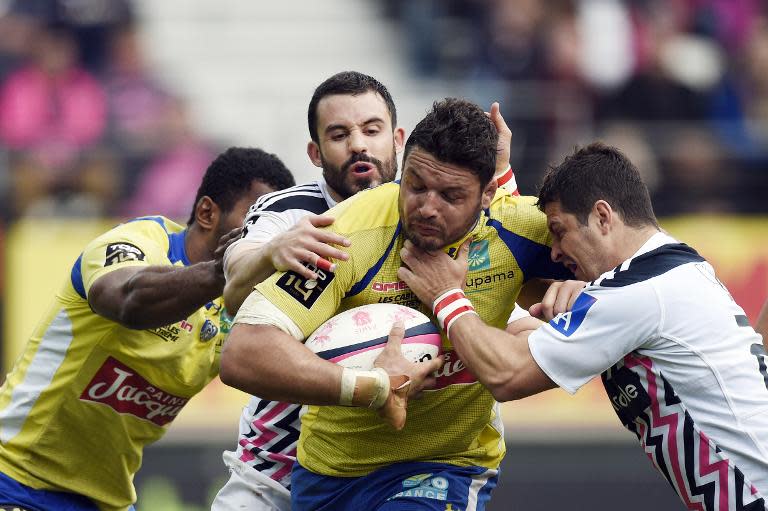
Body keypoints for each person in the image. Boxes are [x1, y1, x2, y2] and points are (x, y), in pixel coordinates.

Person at [219, 97, 572, 511]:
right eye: (416, 185)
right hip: (329, 474)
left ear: (488, 193)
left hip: (447, 465)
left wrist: (590, 286)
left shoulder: (521, 225)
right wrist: (376, 387)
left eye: (451, 195)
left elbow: (633, 255)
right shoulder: (350, 232)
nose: (426, 207)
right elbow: (243, 353)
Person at [396, 142, 768, 510]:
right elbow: (525, 281)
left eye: (559, 231)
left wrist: (445, 294)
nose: (553, 251)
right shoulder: (672, 267)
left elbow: (507, 374)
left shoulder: (637, 294)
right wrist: (500, 190)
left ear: (603, 217)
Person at [0, 147, 295, 511]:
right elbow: (127, 298)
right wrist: (225, 271)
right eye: (255, 220)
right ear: (207, 213)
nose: (263, 239)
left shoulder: (243, 304)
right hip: (15, 479)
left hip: (107, 500)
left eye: (274, 227)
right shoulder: (141, 243)